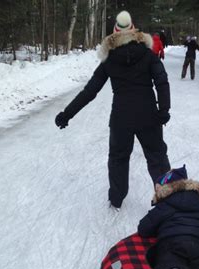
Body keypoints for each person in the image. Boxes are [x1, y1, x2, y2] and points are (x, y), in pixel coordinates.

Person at [54, 11, 171, 210]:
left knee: (118, 158)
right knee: (157, 156)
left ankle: (116, 199)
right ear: (134, 30)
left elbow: (90, 91)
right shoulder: (148, 55)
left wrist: (67, 113)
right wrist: (163, 109)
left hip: (121, 118)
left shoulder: (109, 60)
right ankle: (168, 200)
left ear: (114, 33)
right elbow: (162, 82)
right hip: (148, 115)